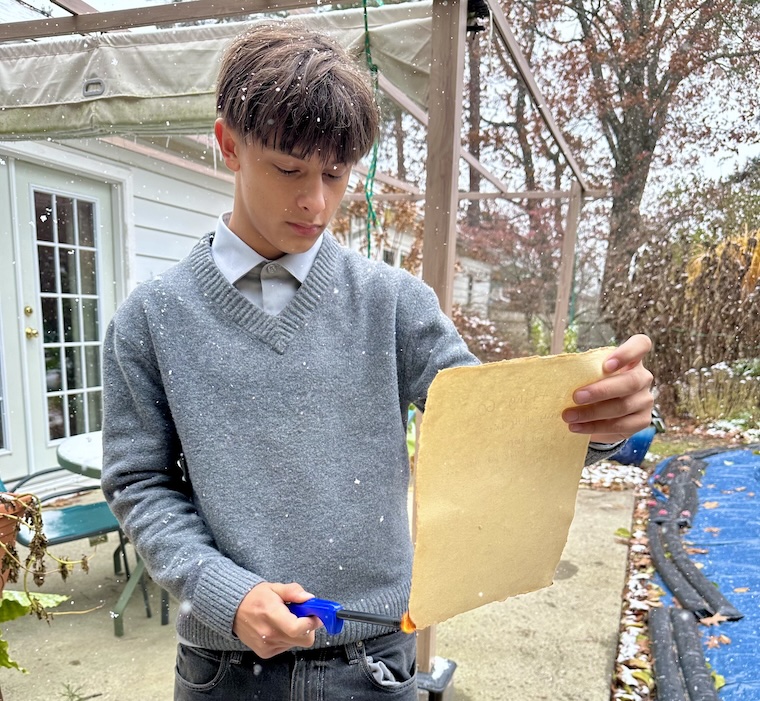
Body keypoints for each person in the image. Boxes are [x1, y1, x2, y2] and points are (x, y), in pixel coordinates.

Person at [101, 21, 654, 701]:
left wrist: (595, 422)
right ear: (229, 145)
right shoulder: (152, 317)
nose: (316, 201)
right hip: (223, 671)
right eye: (289, 169)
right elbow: (139, 482)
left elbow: (488, 427)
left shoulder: (392, 303)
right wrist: (223, 591)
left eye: (336, 174)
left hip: (374, 665)